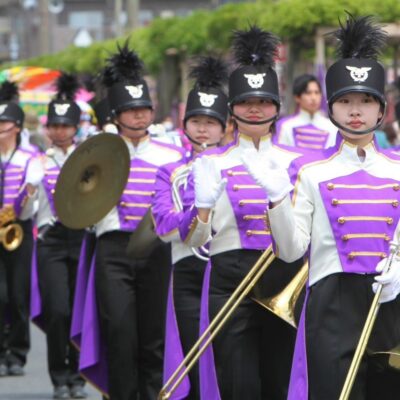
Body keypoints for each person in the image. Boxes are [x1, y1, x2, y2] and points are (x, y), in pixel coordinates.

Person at [243, 14, 400, 400]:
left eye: (366, 101)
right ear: (331, 108)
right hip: (332, 304)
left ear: (382, 109)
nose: (356, 111)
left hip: (390, 297)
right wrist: (277, 199)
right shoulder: (310, 171)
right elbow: (291, 250)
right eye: (345, 101)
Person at [179, 26, 304, 400]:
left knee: (280, 379)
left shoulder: (301, 162)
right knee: (238, 381)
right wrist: (202, 208)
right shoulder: (211, 162)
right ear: (231, 107)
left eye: (264, 101)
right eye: (246, 101)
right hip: (229, 274)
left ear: (277, 107)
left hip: (283, 273)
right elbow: (194, 241)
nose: (255, 108)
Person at [91, 42, 184, 400]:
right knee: (119, 332)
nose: (139, 116)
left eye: (144, 108)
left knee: (153, 335)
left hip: (156, 248)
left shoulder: (170, 152)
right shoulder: (97, 150)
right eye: (131, 110)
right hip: (113, 249)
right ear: (116, 114)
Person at [152, 56, 228, 399]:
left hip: (228, 271)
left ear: (225, 127)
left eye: (211, 122)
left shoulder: (236, 167)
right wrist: (200, 210)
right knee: (194, 360)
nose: (203, 129)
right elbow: (163, 227)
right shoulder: (170, 172)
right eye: (196, 121)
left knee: (228, 359)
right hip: (187, 274)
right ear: (184, 125)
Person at [32, 72, 87, 399]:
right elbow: (27, 209)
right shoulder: (38, 161)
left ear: (75, 127)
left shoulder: (89, 158)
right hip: (50, 240)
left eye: (66, 126)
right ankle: (59, 377)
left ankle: (78, 375)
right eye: (55, 126)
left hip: (81, 237)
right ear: (48, 129)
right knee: (58, 310)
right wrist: (29, 186)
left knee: (80, 310)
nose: (60, 131)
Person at [0, 81, 43, 377]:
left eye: (3, 124)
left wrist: (24, 198)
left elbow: (32, 200)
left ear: (16, 127)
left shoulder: (30, 157)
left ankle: (17, 352)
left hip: (18, 229)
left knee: (17, 294)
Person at [275, 74, 337, 149]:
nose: (313, 98)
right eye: (308, 93)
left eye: (317, 92)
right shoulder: (284, 126)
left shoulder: (332, 127)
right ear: (297, 97)